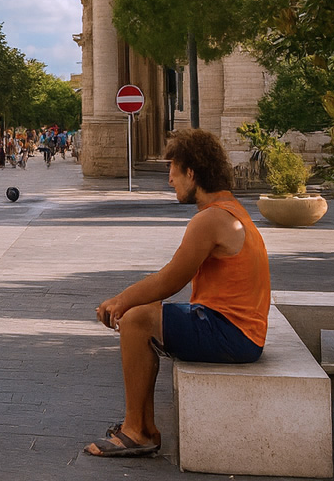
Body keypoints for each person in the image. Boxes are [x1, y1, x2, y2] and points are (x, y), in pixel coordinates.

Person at [85, 129, 271, 458]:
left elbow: (171, 279)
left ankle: (136, 431)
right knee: (143, 314)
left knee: (137, 318)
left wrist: (121, 301)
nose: (168, 178)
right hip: (240, 332)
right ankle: (142, 427)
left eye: (172, 168)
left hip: (232, 334)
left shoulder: (211, 219)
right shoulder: (230, 211)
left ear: (191, 172)